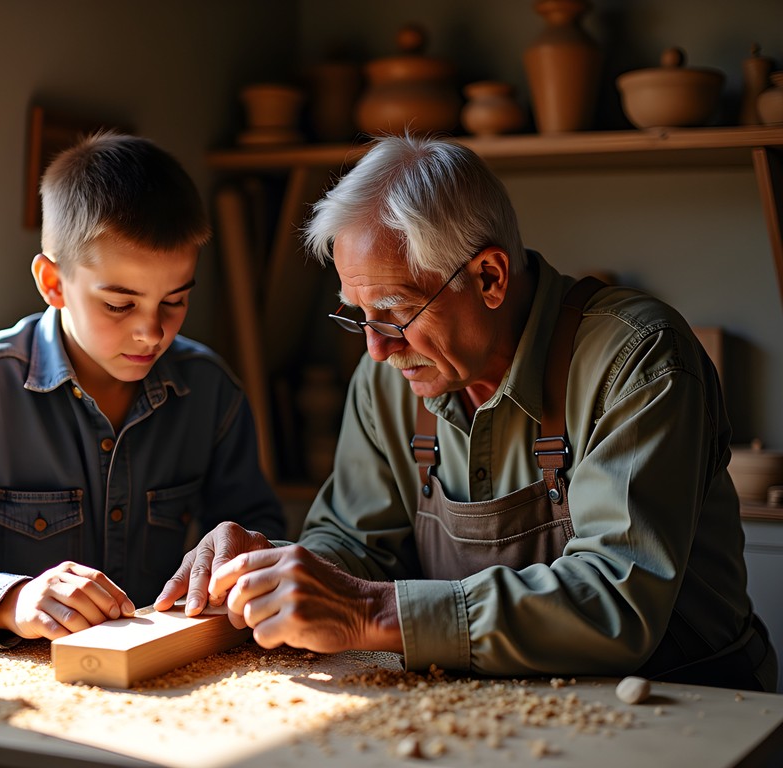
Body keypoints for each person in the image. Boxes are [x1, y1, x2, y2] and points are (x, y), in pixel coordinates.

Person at [156, 133, 777, 692]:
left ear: (488, 278)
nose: (376, 348)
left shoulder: (638, 360)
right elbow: (355, 546)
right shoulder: (388, 376)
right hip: (509, 705)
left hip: (691, 704)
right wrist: (275, 570)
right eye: (357, 314)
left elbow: (616, 598)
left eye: (396, 311)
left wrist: (369, 612)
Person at [0, 131, 284, 648]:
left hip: (165, 675)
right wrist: (11, 599)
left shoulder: (212, 392)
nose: (151, 331)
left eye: (174, 301)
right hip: (33, 684)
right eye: (120, 305)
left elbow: (263, 538)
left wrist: (245, 552)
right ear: (53, 283)